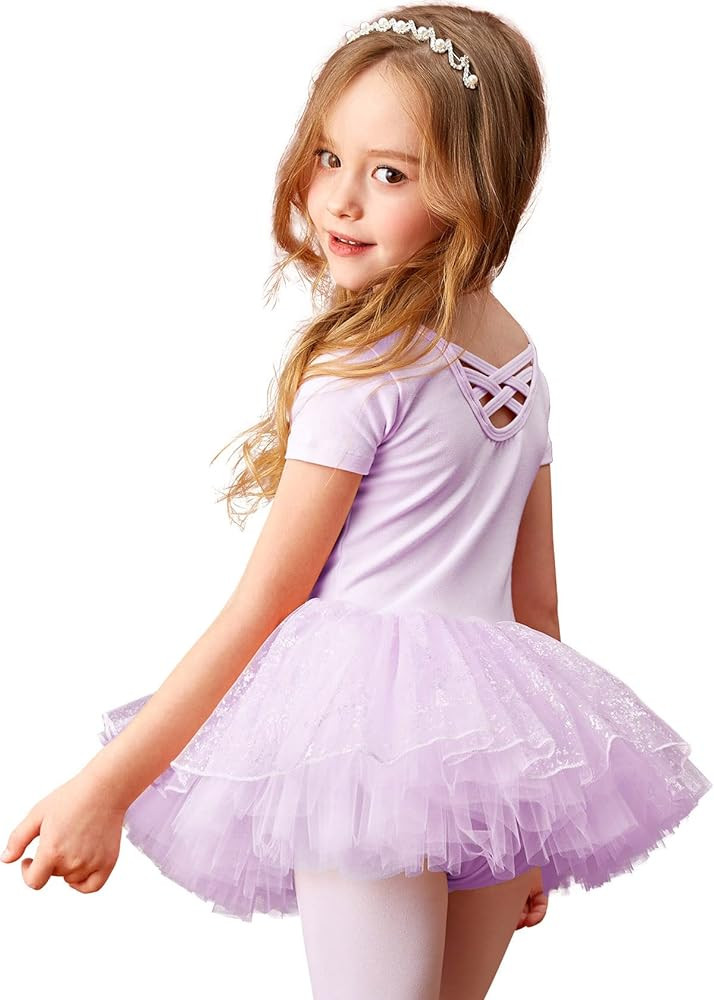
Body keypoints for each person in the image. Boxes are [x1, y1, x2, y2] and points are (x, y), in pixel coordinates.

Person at [2, 6, 711, 999]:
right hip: (493, 757)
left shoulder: (365, 362)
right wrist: (533, 823)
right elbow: (538, 612)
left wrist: (105, 787)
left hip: (364, 748)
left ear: (476, 188)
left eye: (391, 174)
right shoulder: (522, 365)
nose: (339, 199)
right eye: (330, 156)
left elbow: (267, 601)